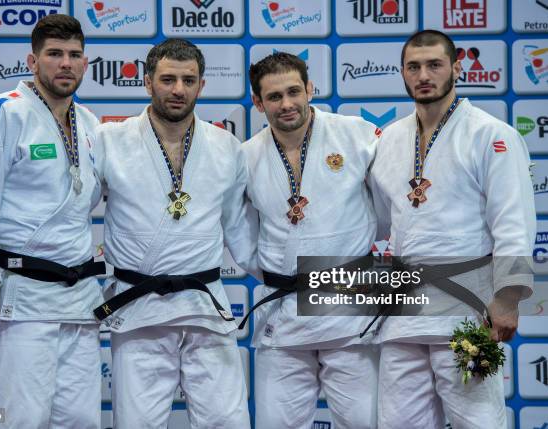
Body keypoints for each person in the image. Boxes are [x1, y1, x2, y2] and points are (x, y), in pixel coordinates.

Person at [0, 14, 104, 429]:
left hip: (79, 301)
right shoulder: (1, 114)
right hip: (23, 302)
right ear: (33, 62)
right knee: (20, 420)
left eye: (74, 55)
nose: (65, 64)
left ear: (86, 63)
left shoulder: (89, 124)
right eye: (54, 54)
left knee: (81, 420)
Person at [369, 30, 535, 429]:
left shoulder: (492, 135)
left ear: (456, 68)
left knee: (478, 422)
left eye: (434, 65)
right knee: (398, 424)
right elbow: (382, 221)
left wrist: (508, 298)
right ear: (403, 74)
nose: (424, 75)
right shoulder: (389, 139)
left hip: (468, 310)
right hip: (404, 313)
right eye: (414, 67)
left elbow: (513, 221)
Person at [91, 39, 254, 429]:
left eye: (188, 80)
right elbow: (71, 213)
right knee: (137, 424)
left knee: (227, 421)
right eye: (167, 79)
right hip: (138, 309)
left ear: (202, 85)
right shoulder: (109, 141)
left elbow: (240, 231)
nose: (178, 89)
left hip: (204, 307)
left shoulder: (226, 147)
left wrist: (290, 281)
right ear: (147, 82)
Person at [243, 52, 381, 429]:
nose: (286, 104)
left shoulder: (356, 134)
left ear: (310, 89)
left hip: (349, 310)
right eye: (274, 97)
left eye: (293, 92)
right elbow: (240, 233)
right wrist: (275, 273)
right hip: (283, 312)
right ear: (258, 102)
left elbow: (389, 204)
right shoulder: (247, 157)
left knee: (365, 422)